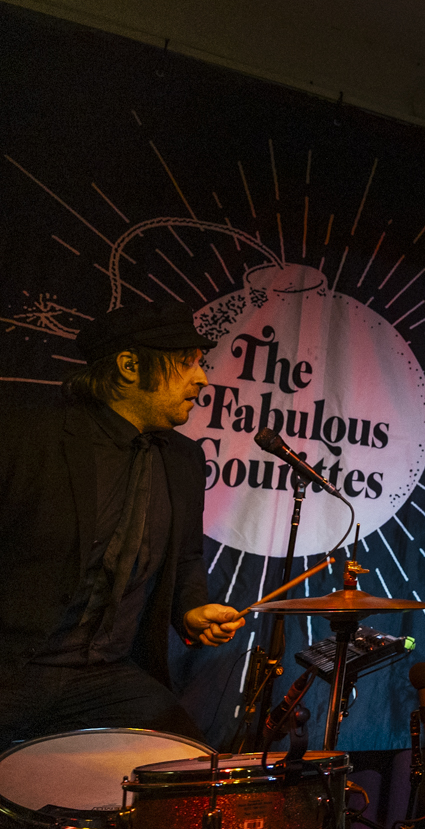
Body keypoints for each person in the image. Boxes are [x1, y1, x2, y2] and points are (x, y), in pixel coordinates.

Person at [0, 301, 246, 747]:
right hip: (13, 666)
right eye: (187, 364)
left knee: (188, 768)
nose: (203, 379)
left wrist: (189, 611)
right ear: (130, 366)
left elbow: (187, 555)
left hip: (103, 676)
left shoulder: (185, 458)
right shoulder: (25, 437)